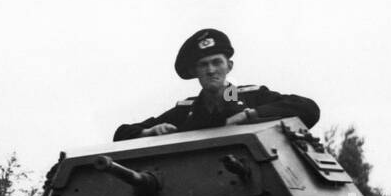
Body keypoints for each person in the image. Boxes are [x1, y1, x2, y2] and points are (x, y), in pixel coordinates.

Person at [113, 28, 319, 141]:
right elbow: (121, 134)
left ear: (229, 66)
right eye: (203, 65)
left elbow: (309, 109)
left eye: (216, 62)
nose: (211, 70)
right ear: (195, 72)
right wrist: (149, 132)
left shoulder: (253, 97)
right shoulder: (186, 110)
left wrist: (249, 115)